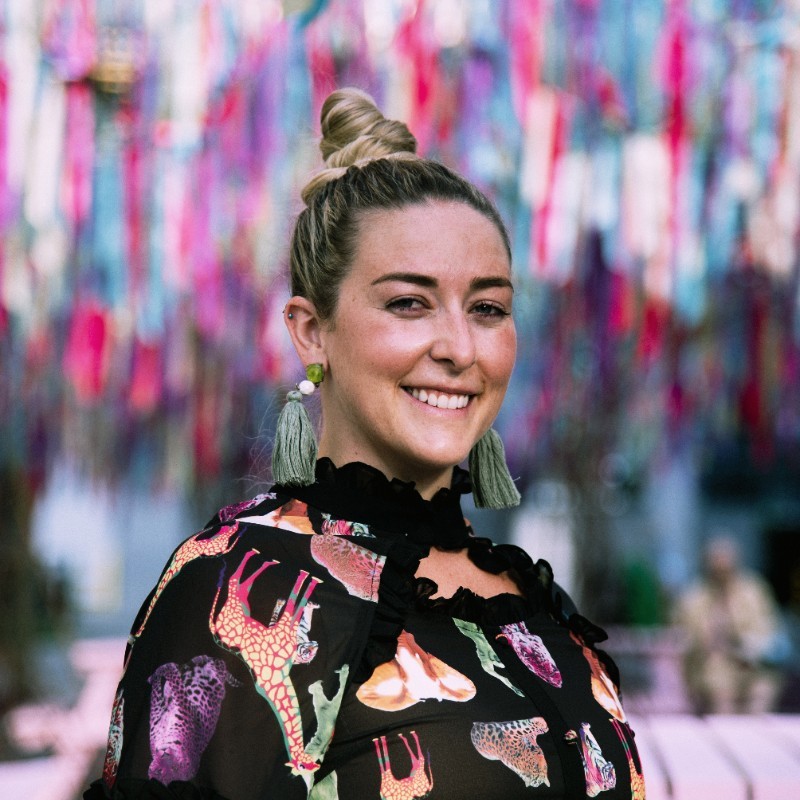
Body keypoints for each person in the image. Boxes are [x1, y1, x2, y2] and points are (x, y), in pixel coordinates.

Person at [85, 88, 644, 800]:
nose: (459, 347)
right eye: (408, 303)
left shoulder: (529, 597)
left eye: (488, 308)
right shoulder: (233, 587)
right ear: (311, 331)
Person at [675, 534, 785, 714]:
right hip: (712, 664)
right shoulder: (694, 598)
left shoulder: (753, 591)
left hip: (752, 663)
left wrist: (748, 644)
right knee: (720, 689)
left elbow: (768, 630)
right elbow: (686, 642)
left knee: (762, 689)